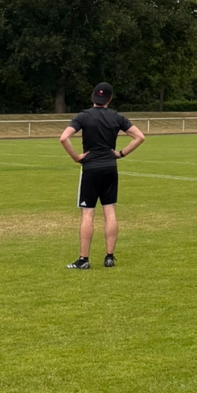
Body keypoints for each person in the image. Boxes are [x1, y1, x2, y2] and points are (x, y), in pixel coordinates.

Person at [59, 83, 145, 269]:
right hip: (110, 167)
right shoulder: (117, 117)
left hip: (90, 168)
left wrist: (76, 157)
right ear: (110, 99)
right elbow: (139, 137)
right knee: (110, 211)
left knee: (87, 213)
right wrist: (120, 154)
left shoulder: (83, 116)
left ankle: (83, 260)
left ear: (93, 97)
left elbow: (64, 138)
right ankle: (109, 257)